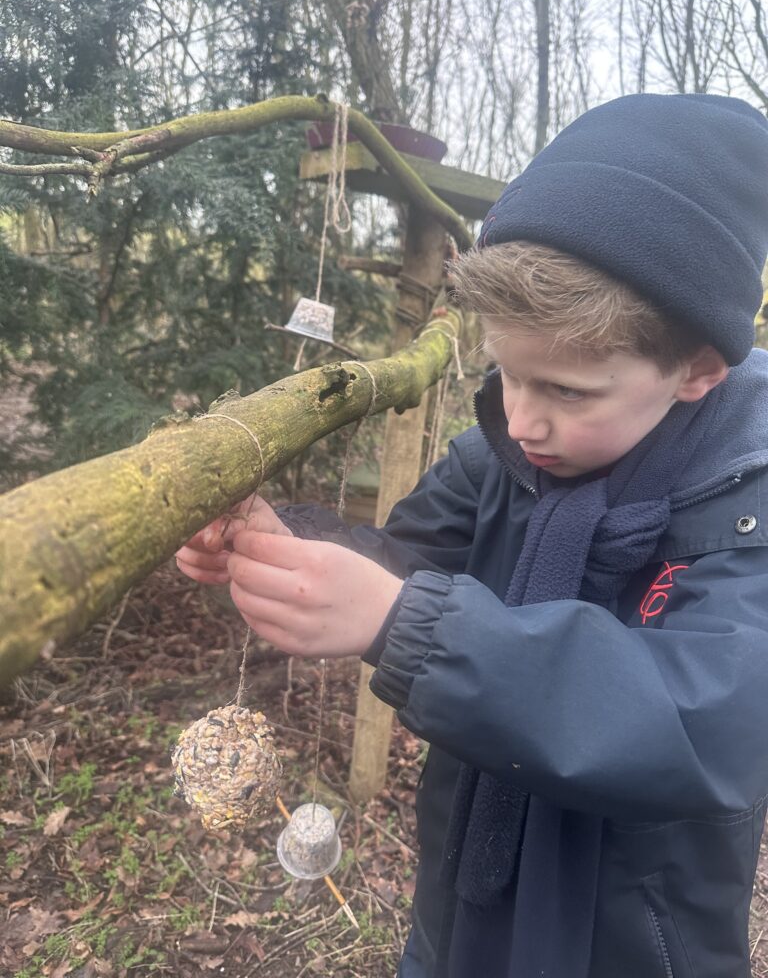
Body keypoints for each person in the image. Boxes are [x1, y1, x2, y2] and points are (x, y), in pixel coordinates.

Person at [175, 93, 768, 978]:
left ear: (695, 371)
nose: (522, 419)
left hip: (630, 948)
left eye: (566, 391)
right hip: (459, 919)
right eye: (505, 372)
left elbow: (706, 723)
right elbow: (402, 562)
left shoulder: (744, 499)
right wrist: (279, 542)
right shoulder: (498, 455)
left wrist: (409, 627)